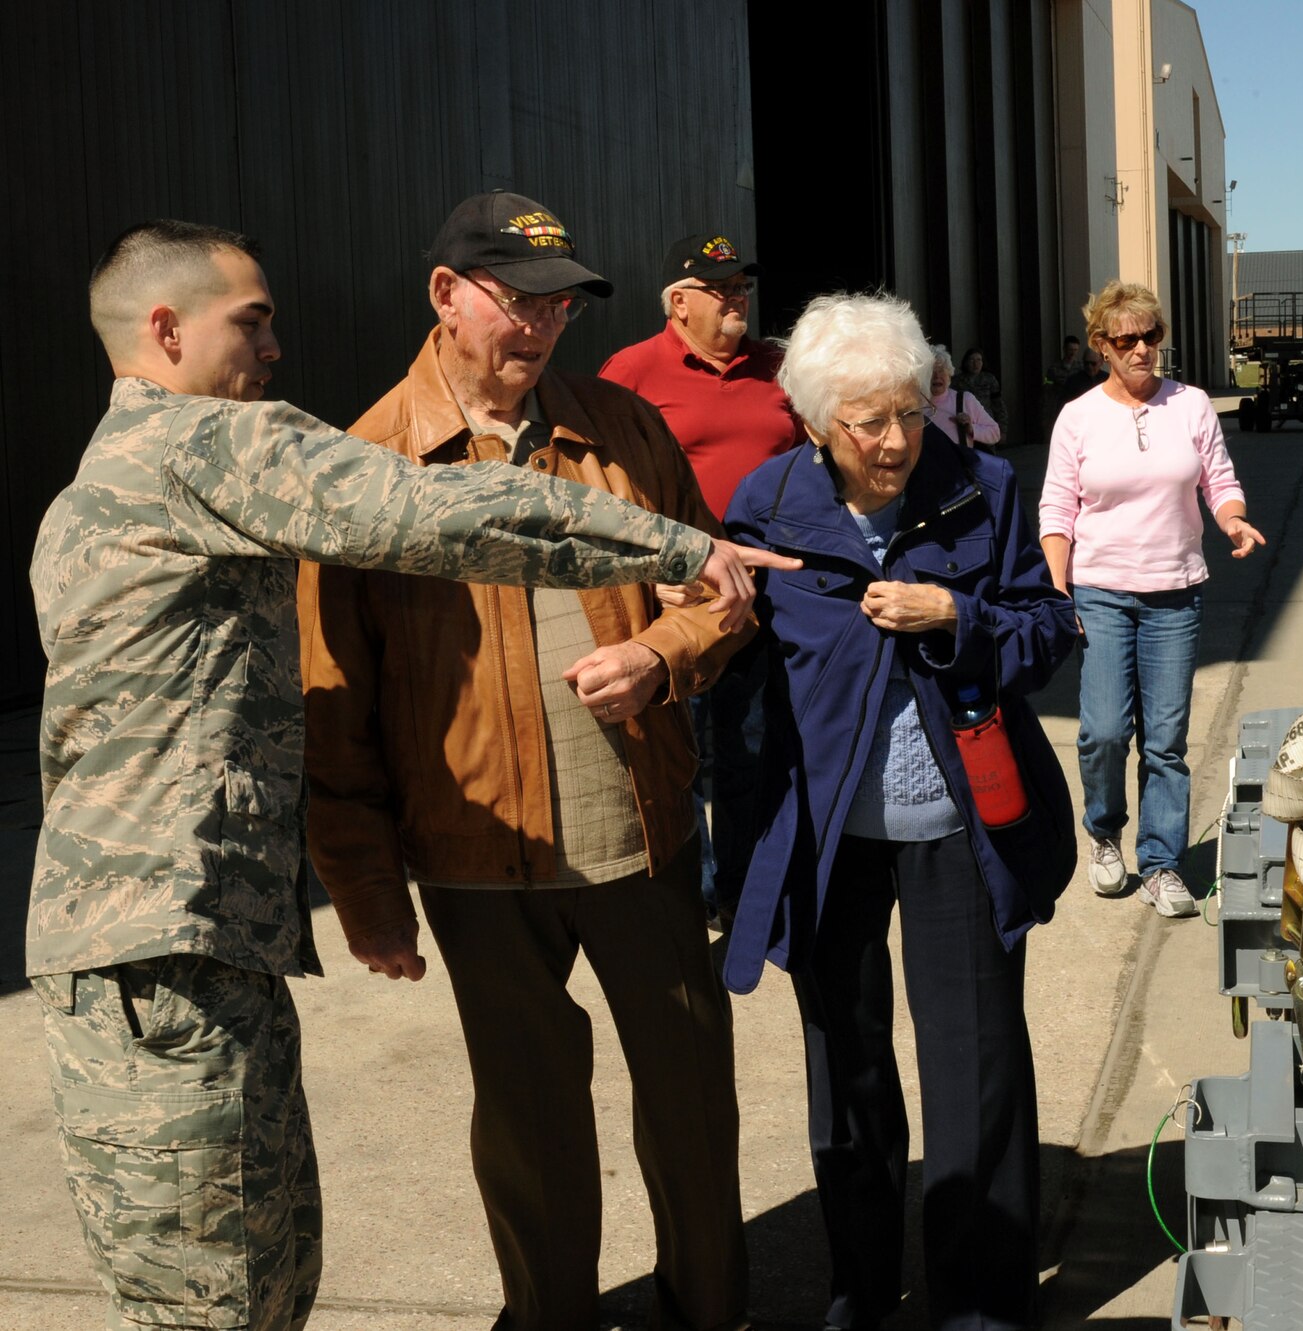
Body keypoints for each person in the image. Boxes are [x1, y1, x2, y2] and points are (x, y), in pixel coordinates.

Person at [28, 219, 785, 1331]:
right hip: (168, 945)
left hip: (195, 940)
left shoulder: (114, 479)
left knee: (255, 1266)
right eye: (254, 321)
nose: (276, 345)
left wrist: (665, 636)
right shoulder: (201, 448)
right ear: (163, 327)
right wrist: (675, 548)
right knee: (213, 1287)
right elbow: (431, 527)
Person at [298, 192, 753, 1331]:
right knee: (529, 1115)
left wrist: (660, 653)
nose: (546, 325)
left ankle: (707, 1308)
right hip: (475, 856)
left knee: (692, 1100)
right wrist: (363, 889)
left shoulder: (620, 427)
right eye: (521, 300)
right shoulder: (366, 467)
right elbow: (331, 700)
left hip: (638, 832)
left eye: (562, 304)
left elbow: (717, 590)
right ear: (445, 294)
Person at [720, 292, 1077, 1330]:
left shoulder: (983, 486)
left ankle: (981, 1308)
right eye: (866, 421)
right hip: (825, 837)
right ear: (814, 421)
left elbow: (1047, 629)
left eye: (911, 413)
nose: (893, 441)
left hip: (956, 827)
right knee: (848, 1074)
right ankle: (862, 1293)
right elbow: (728, 664)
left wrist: (956, 614)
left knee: (976, 1070)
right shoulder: (766, 504)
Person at [1039, 279, 1265, 918]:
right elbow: (1058, 504)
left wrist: (1232, 520)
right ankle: (1105, 833)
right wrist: (1057, 581)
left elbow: (1219, 480)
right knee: (1106, 730)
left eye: (1151, 336)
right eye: (1126, 339)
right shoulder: (1079, 417)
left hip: (1176, 592)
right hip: (1102, 589)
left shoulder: (1190, 405)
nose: (1142, 349)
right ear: (1102, 346)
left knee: (1165, 740)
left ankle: (1162, 862)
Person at [599, 230, 804, 919]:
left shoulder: (781, 368)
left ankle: (744, 891)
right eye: (720, 289)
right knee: (680, 753)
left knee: (749, 746)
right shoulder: (631, 371)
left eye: (741, 286)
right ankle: (698, 887)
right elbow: (596, 479)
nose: (736, 298)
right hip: (675, 597)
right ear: (679, 302)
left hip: (765, 596)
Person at [929, 342, 1002, 450]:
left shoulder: (965, 400)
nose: (937, 376)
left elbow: (994, 432)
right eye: (931, 371)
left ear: (949, 374)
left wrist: (971, 429)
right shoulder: (912, 402)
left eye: (941, 370)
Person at [955, 345, 1007, 435]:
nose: (976, 364)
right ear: (966, 362)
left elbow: (998, 405)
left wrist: (1002, 430)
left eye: (979, 360)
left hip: (986, 424)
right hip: (964, 425)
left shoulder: (990, 379)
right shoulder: (956, 381)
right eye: (972, 360)